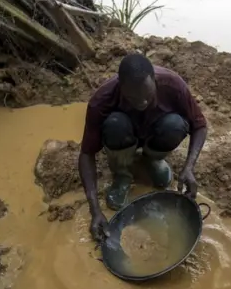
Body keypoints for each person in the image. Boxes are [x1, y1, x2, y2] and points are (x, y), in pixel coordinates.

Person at [78, 53, 208, 240]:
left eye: (147, 96)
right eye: (133, 98)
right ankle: (122, 174)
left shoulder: (173, 85)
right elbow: (86, 154)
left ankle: (152, 160)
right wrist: (95, 210)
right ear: (120, 87)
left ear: (155, 80)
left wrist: (189, 167)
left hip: (155, 133)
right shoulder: (102, 100)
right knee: (115, 123)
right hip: (123, 136)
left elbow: (200, 126)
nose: (142, 103)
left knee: (175, 125)